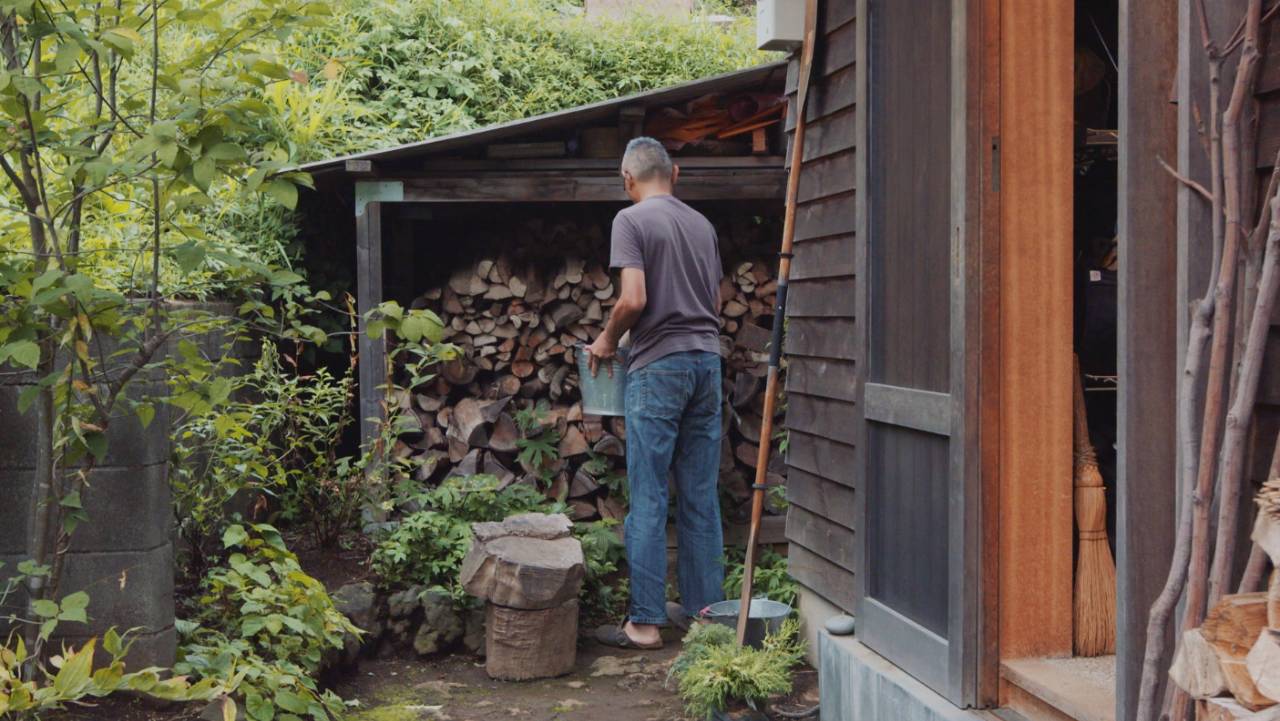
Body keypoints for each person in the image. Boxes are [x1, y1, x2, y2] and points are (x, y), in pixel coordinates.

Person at [586, 137, 725, 650]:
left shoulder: (631, 220)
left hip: (659, 367)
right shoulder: (702, 225)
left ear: (627, 179)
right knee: (700, 496)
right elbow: (712, 300)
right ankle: (707, 616)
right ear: (676, 173)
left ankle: (644, 622)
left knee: (647, 496)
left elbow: (634, 298)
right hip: (707, 364)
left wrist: (605, 339)